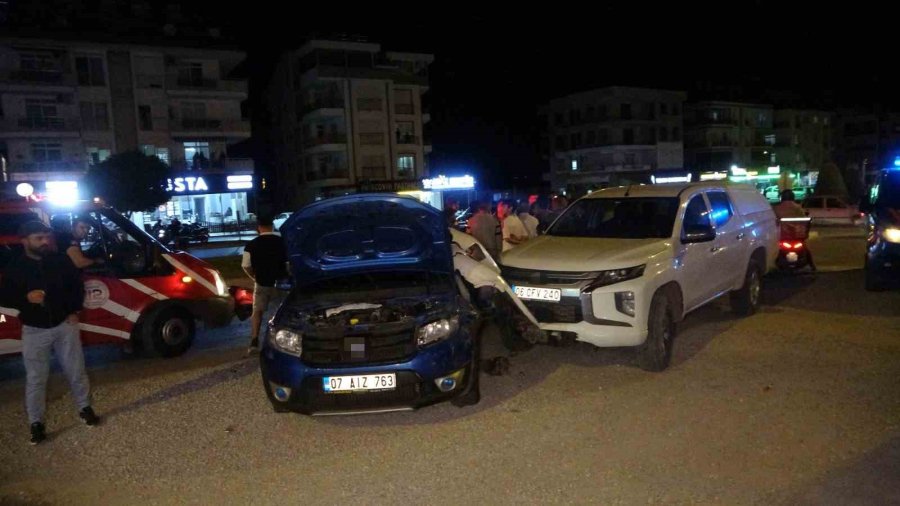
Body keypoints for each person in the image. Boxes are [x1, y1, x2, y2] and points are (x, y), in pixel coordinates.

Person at [0, 221, 99, 445]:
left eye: (46, 237)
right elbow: (4, 295)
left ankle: (84, 408)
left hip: (65, 325)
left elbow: (76, 286)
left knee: (76, 371)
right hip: (34, 330)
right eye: (39, 238)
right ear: (24, 241)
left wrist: (74, 310)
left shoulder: (60, 260)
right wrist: (25, 298)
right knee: (36, 379)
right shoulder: (15, 266)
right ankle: (36, 423)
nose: (45, 242)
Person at [242, 215, 288, 354]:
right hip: (281, 283)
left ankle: (254, 341)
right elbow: (288, 264)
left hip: (261, 283)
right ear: (272, 227)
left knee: (257, 312)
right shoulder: (282, 242)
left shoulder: (251, 245)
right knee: (282, 313)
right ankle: (281, 343)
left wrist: (254, 277)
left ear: (259, 228)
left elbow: (246, 265)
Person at [773, 189, 816, 271]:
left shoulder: (776, 208)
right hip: (797, 235)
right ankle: (812, 266)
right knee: (805, 248)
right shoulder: (797, 207)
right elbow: (804, 220)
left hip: (782, 235)